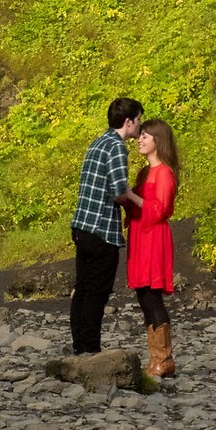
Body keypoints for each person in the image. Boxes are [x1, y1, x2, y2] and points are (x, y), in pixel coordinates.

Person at [68, 96, 142, 354]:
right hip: (101, 229)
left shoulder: (98, 142)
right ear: (128, 121)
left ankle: (80, 347)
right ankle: (90, 349)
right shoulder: (117, 147)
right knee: (96, 293)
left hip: (82, 225)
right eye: (138, 120)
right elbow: (119, 190)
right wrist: (140, 201)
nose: (140, 126)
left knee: (83, 288)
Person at [121, 119, 180, 378]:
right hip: (140, 235)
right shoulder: (145, 173)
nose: (139, 140)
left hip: (153, 237)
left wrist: (132, 196)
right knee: (143, 295)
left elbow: (161, 210)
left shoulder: (165, 173)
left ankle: (163, 358)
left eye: (145, 136)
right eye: (140, 135)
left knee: (151, 295)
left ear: (159, 140)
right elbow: (137, 206)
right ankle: (157, 358)